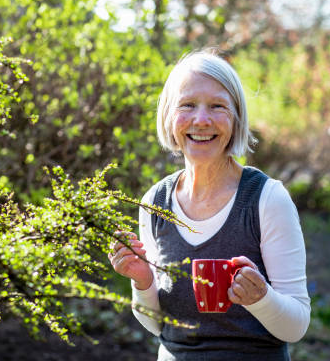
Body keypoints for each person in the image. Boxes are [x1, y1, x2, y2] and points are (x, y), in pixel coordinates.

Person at [108, 50, 310, 360]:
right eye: (187, 105)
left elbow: (296, 327)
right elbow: (157, 325)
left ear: (236, 118)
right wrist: (143, 280)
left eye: (217, 106)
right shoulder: (155, 203)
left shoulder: (267, 198)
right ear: (168, 116)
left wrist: (261, 299)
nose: (201, 120)